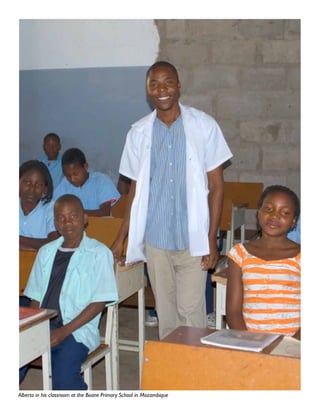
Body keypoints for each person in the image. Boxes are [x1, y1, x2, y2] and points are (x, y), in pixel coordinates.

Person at [112, 61, 233, 339]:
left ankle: (193, 376)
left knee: (191, 314)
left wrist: (212, 237)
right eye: (154, 83)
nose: (161, 89)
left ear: (178, 86)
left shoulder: (203, 125)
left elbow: (216, 187)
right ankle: (171, 379)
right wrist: (122, 237)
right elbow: (135, 190)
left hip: (192, 239)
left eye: (167, 82)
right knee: (166, 315)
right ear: (147, 89)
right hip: (156, 240)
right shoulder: (138, 132)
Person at [20, 194, 119, 390]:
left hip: (76, 330)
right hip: (44, 324)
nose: (67, 223)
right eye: (61, 218)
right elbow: (36, 297)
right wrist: (34, 328)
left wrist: (64, 331)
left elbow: (99, 301)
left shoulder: (99, 253)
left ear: (85, 218)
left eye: (73, 216)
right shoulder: (46, 252)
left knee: (63, 378)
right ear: (55, 223)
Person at [226, 185, 300, 339]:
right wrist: (249, 342)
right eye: (268, 209)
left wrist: (290, 345)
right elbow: (233, 312)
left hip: (293, 346)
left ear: (293, 222)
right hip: (250, 342)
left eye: (284, 213)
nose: (275, 216)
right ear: (258, 213)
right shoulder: (240, 254)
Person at [54, 147, 120, 217]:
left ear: (85, 166)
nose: (72, 179)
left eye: (75, 174)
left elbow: (104, 213)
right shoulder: (64, 184)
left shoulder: (101, 180)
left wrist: (76, 214)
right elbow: (55, 209)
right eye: (68, 176)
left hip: (100, 225)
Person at [20, 160, 59, 251]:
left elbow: (54, 242)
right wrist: (34, 248)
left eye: (38, 184)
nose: (32, 189)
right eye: (27, 182)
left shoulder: (52, 208)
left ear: (45, 189)